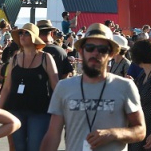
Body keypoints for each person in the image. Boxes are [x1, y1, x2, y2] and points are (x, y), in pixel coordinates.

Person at [41, 23, 145, 151]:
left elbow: (140, 130)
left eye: (102, 49)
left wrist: (113, 134)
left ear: (111, 54)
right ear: (81, 51)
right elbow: (52, 135)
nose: (95, 53)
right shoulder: (64, 87)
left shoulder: (125, 86)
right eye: (90, 47)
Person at [0, 23, 58, 151]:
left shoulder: (46, 58)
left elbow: (55, 86)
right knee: (18, 147)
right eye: (20, 33)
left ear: (34, 37)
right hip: (16, 109)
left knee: (35, 147)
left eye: (26, 33)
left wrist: (59, 112)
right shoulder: (14, 59)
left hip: (39, 111)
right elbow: (7, 87)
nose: (22, 36)